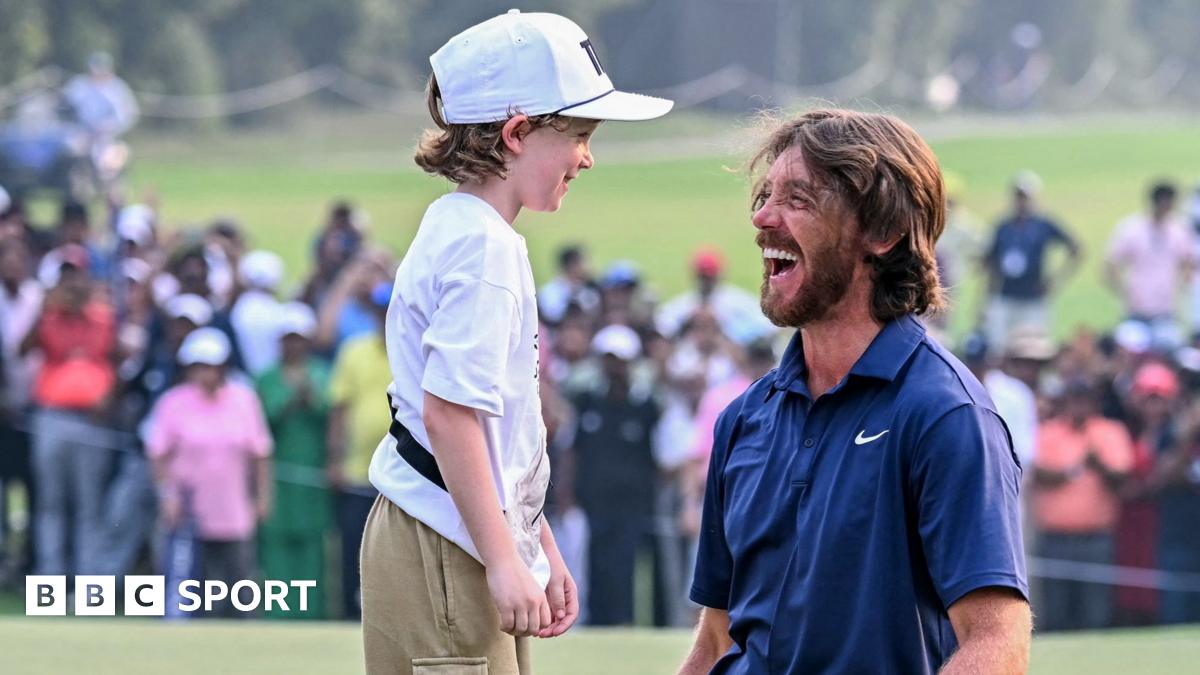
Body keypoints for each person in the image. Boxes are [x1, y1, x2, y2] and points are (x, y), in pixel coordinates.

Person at [360, 10, 671, 674]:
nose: (588, 156)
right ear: (517, 132)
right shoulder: (482, 248)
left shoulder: (468, 231)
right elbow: (448, 414)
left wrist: (536, 545)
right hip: (451, 544)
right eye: (581, 134)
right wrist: (504, 560)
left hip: (460, 533)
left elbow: (498, 434)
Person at [680, 110, 1030, 674]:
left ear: (883, 233)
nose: (764, 218)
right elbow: (717, 639)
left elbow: (997, 646)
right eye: (765, 196)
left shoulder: (946, 416)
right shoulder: (744, 418)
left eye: (798, 199)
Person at [146, 327, 272, 618]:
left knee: (240, 590)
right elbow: (158, 456)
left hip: (234, 511)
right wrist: (167, 496)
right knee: (194, 595)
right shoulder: (173, 402)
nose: (206, 374)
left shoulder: (243, 399)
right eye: (199, 367)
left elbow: (260, 454)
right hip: (188, 514)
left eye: (212, 367)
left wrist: (262, 497)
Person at [22, 245, 116, 577]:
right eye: (66, 278)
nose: (72, 285)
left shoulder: (103, 318)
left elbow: (116, 357)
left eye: (77, 277)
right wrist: (43, 311)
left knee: (89, 506)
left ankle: (89, 588)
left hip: (92, 421)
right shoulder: (48, 317)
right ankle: (50, 585)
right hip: (51, 417)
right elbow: (23, 350)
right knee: (51, 505)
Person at [562, 324, 659, 626]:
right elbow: (572, 450)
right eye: (608, 358)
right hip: (593, 499)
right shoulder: (587, 401)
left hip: (633, 501)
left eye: (619, 359)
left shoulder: (646, 406)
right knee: (595, 560)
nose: (614, 366)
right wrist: (566, 492)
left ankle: (624, 621)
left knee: (626, 561)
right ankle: (594, 619)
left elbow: (657, 456)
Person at [1031, 378, 1132, 631]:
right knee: (1056, 611)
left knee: (1095, 611)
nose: (1079, 406)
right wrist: (1076, 468)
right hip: (1055, 537)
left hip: (1096, 537)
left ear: (1094, 403)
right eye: (1074, 400)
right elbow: (1039, 472)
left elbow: (1121, 476)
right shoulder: (1048, 431)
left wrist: (1098, 464)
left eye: (1084, 400)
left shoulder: (1110, 431)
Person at [256, 302, 331, 619]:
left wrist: (310, 398)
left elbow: (331, 415)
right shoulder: (266, 378)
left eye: (299, 338)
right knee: (276, 548)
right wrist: (290, 400)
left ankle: (311, 616)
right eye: (288, 338)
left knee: (312, 548)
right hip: (276, 479)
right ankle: (277, 616)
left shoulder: (322, 374)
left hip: (313, 478)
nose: (294, 344)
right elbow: (261, 422)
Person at [326, 282, 392, 620]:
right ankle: (350, 616)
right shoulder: (354, 350)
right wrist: (335, 460)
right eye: (381, 310)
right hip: (356, 472)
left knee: (396, 556)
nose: (386, 316)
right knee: (352, 550)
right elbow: (340, 409)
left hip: (401, 477)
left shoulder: (416, 348)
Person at [982, 171, 1080, 352]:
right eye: (1018, 197)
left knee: (1034, 348)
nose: (1021, 202)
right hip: (1006, 295)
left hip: (1034, 297)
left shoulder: (1043, 224)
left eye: (1025, 197)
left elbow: (1075, 248)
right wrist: (986, 300)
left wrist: (1055, 281)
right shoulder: (1003, 226)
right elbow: (990, 263)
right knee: (1000, 348)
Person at [1105, 181, 1194, 333]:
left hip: (1166, 309)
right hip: (1136, 309)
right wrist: (1124, 291)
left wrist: (1180, 287)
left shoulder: (1178, 230)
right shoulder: (1132, 228)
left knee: (1167, 346)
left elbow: (1189, 260)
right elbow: (1111, 264)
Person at [655, 247, 774, 346]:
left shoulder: (738, 302)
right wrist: (687, 324)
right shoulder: (684, 304)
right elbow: (663, 329)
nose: (706, 282)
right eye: (702, 277)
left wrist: (723, 325)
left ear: (720, 275)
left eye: (709, 277)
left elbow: (767, 328)